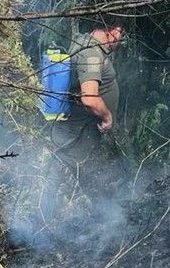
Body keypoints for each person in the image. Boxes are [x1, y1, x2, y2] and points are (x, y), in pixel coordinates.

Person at [50, 20, 125, 167]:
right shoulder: (91, 53)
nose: (121, 39)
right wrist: (107, 117)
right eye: (122, 34)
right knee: (64, 169)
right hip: (79, 134)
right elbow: (89, 98)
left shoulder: (84, 42)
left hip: (78, 132)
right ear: (115, 31)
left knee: (65, 169)